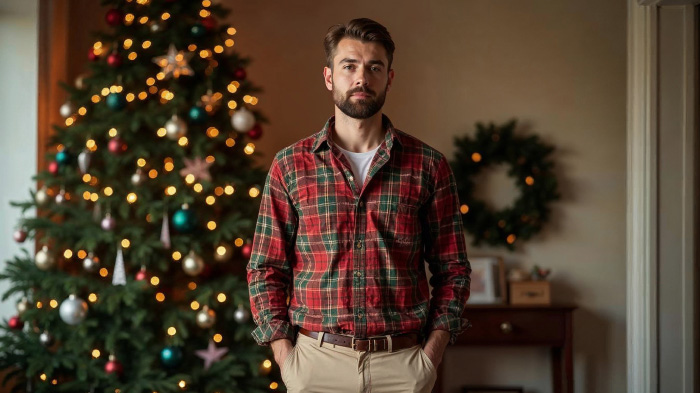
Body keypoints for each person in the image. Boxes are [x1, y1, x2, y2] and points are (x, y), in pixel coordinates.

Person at [247, 17, 471, 393]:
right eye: (349, 66)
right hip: (315, 365)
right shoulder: (290, 165)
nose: (361, 78)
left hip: (402, 364)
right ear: (329, 77)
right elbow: (265, 268)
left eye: (374, 67)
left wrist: (430, 356)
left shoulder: (428, 165)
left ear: (389, 78)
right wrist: (287, 358)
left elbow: (453, 270)